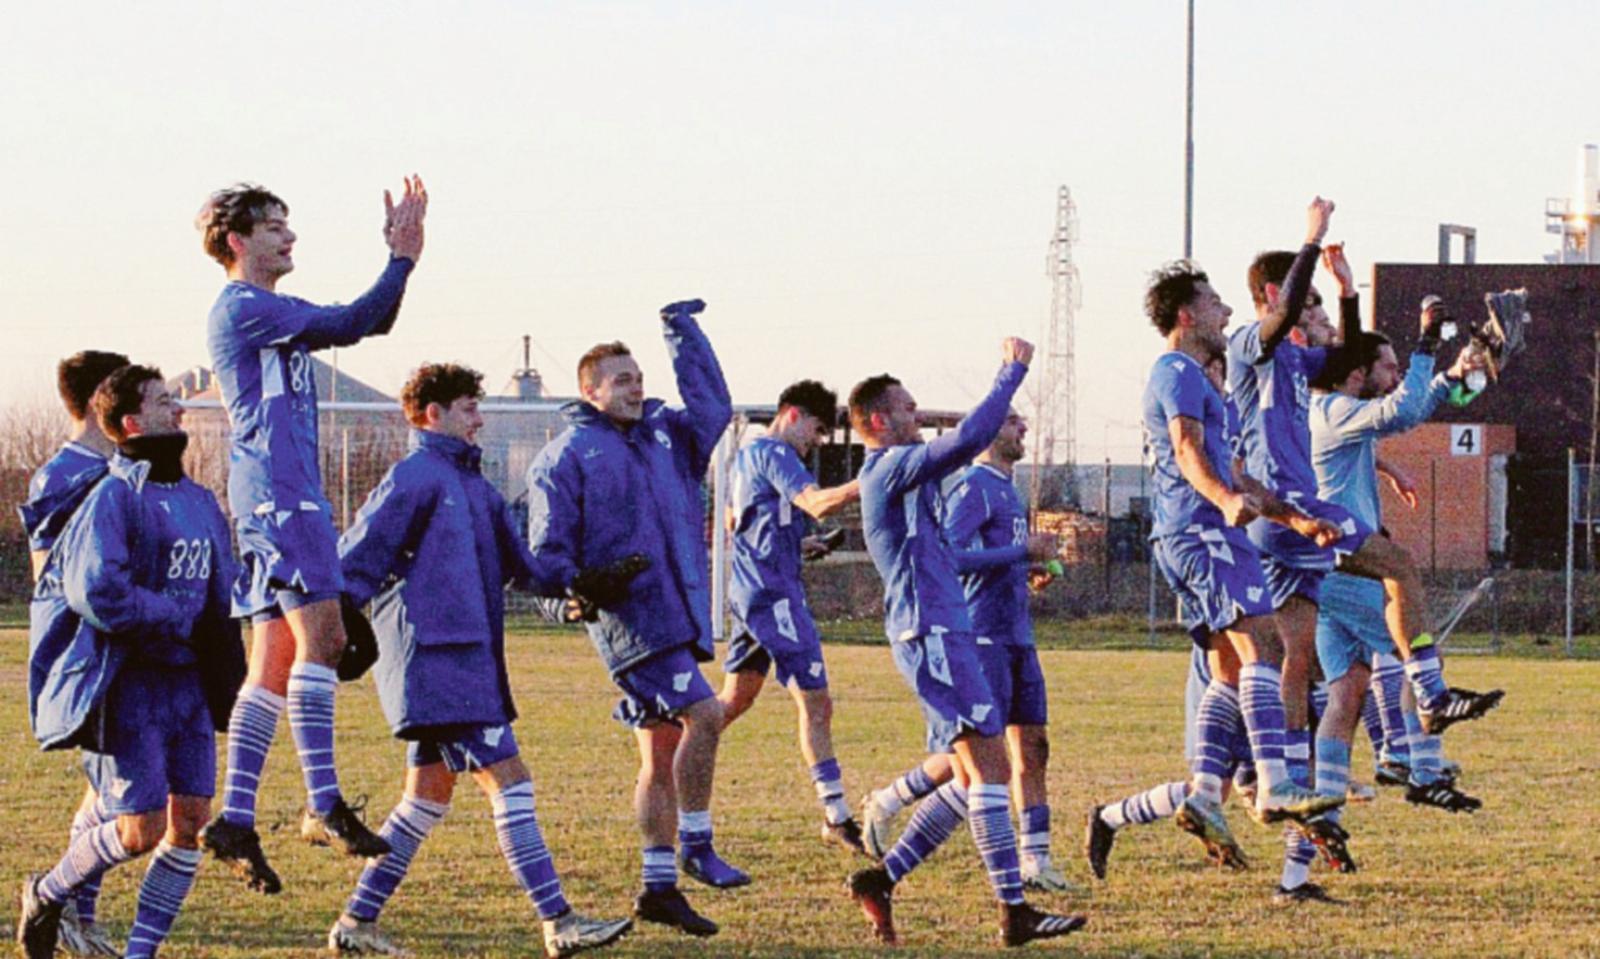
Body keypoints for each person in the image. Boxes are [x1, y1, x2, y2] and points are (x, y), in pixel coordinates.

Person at [326, 363, 632, 958]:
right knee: (510, 782)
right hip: (438, 666)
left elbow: (526, 567)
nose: (479, 418)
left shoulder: (472, 485)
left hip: (465, 664)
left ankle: (355, 925)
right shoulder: (414, 477)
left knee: (424, 800)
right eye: (468, 407)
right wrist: (336, 626)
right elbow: (355, 557)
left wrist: (582, 580)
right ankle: (559, 921)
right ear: (429, 414)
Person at [195, 178, 428, 892]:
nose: (289, 237)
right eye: (273, 227)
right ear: (237, 241)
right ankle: (322, 801)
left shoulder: (259, 310)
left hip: (271, 493)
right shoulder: (247, 306)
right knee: (324, 641)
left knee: (274, 658)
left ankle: (235, 814)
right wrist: (402, 259)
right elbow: (362, 320)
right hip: (283, 497)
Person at [842, 340, 1087, 948]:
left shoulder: (905, 472)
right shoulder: (889, 466)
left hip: (946, 629)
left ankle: (885, 877)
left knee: (981, 771)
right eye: (906, 407)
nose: (916, 413)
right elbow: (970, 436)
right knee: (985, 773)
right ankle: (1012, 911)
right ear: (877, 421)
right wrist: (1012, 371)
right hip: (934, 633)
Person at [525, 300, 738, 938]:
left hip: (676, 614)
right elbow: (545, 556)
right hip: (633, 624)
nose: (636, 387)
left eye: (640, 376)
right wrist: (562, 598)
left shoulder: (667, 436)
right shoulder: (564, 458)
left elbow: (714, 411)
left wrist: (682, 331)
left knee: (660, 750)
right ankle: (695, 844)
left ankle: (658, 887)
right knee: (706, 713)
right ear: (589, 391)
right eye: (622, 379)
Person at [19, 365, 245, 959]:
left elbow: (221, 593)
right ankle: (47, 891)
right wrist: (169, 612)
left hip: (188, 686)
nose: (179, 409)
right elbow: (97, 592)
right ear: (129, 422)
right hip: (130, 687)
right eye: (164, 400)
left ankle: (138, 954)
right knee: (139, 831)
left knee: (191, 820)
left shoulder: (199, 500)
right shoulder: (112, 496)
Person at [1140, 257, 1347, 904]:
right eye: (1214, 303)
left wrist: (1292, 517)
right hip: (1202, 531)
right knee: (1268, 649)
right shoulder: (1175, 370)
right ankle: (1274, 781)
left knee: (1238, 665)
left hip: (1215, 528)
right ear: (1185, 315)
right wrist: (1222, 500)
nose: (1225, 312)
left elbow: (1234, 466)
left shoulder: (1206, 381)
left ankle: (1207, 791)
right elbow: (1187, 451)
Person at [1308, 318, 1497, 862]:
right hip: (1346, 567)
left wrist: (1458, 376)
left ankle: (1325, 817)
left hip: (1326, 571)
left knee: (1346, 697)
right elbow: (1403, 410)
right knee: (1414, 652)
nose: (1393, 376)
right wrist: (1426, 348)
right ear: (1359, 372)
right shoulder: (1338, 409)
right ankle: (1422, 766)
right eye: (1386, 366)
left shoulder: (1333, 412)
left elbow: (1411, 410)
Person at [716, 380, 867, 853]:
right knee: (816, 702)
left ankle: (673, 756)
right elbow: (817, 504)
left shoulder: (744, 457)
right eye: (817, 431)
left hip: (753, 589)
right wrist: (877, 477)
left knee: (734, 701)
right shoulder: (776, 455)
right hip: (772, 596)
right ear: (793, 414)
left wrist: (796, 545)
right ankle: (836, 815)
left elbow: (737, 524)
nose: (815, 443)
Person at [17, 349, 129, 957]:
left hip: (125, 646)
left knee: (105, 793)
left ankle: (75, 916)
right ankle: (61, 905)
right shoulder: (62, 475)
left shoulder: (114, 468)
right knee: (115, 794)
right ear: (96, 402)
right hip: (93, 653)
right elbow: (50, 579)